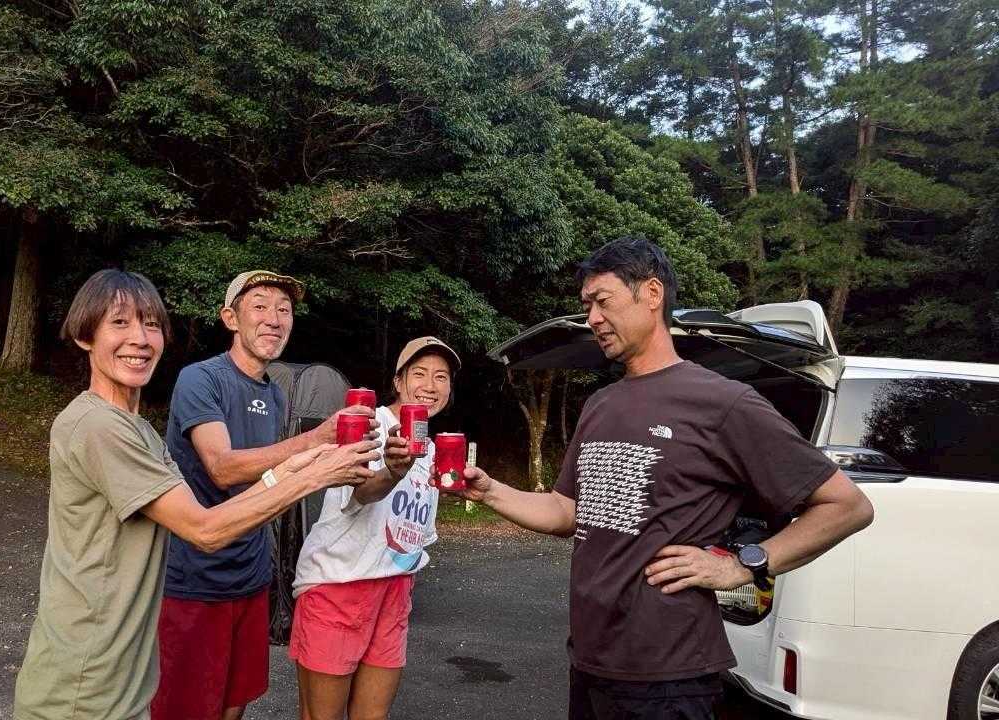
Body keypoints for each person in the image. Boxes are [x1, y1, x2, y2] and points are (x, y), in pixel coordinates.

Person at [460, 237, 875, 720]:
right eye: (587, 305)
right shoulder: (601, 404)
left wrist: (743, 565)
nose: (592, 318)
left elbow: (847, 506)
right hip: (592, 662)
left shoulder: (723, 402)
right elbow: (565, 510)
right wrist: (490, 491)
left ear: (652, 294)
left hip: (670, 677)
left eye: (602, 301)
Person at [12, 269, 379, 720]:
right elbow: (205, 524)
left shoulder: (140, 430)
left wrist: (301, 466)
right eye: (120, 323)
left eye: (151, 325)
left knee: (230, 700)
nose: (140, 339)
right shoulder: (100, 425)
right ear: (85, 335)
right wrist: (314, 467)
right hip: (83, 684)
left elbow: (216, 503)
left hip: (126, 671)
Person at [151, 270, 377, 720]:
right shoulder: (201, 379)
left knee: (236, 700)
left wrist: (349, 462)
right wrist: (316, 438)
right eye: (260, 306)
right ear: (230, 318)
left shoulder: (274, 393)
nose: (274, 318)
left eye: (284, 309)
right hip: (197, 578)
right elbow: (222, 467)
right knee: (186, 708)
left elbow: (271, 474)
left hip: (253, 575)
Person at [290, 336, 461, 720]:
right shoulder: (368, 425)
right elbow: (362, 491)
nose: (430, 385)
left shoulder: (432, 450)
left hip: (395, 591)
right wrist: (393, 472)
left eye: (441, 377)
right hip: (340, 584)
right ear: (398, 381)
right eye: (419, 374)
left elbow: (414, 533)